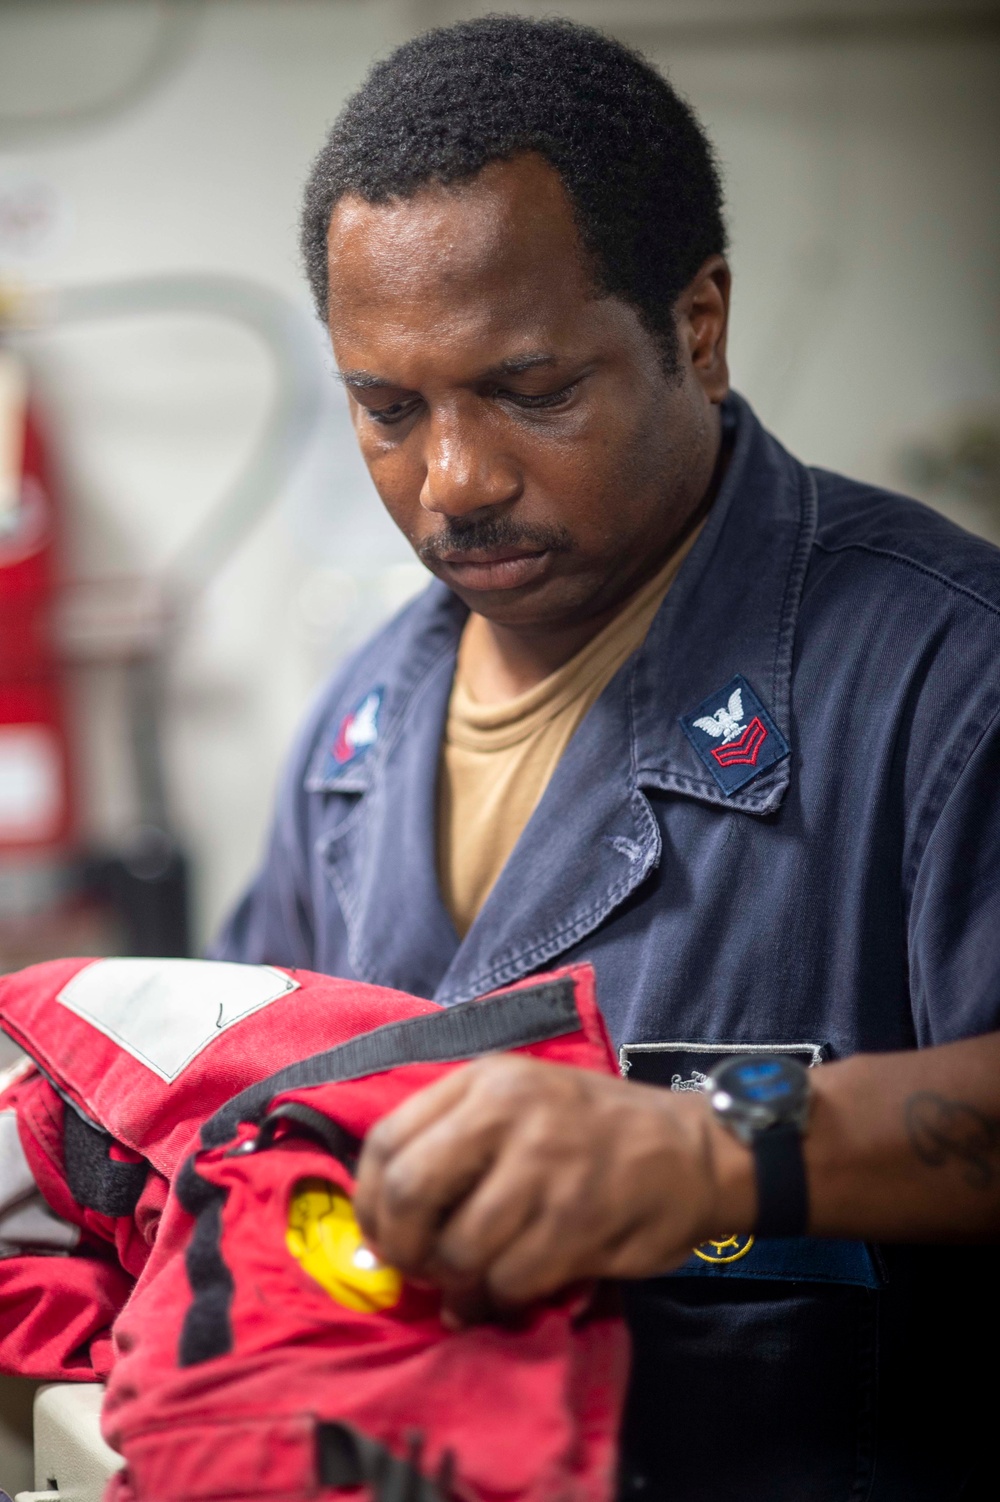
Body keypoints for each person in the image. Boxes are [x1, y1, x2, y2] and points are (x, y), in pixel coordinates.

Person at [212, 16, 1000, 1501]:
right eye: (390, 411)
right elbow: (245, 1103)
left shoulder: (946, 678)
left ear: (696, 325)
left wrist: (707, 1144)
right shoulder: (354, 737)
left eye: (529, 389)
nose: (455, 481)